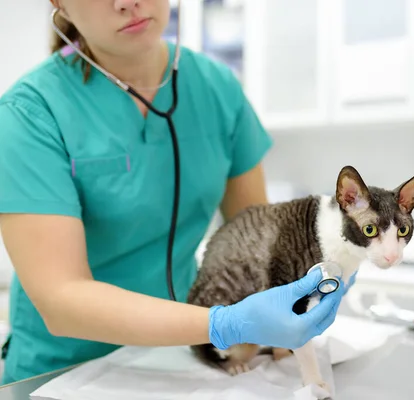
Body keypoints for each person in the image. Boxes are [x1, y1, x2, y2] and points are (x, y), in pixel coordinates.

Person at [0, 0, 349, 384]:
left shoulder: (218, 89)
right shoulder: (29, 114)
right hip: (61, 372)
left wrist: (299, 292)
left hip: (181, 360)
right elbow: (60, 297)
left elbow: (260, 241)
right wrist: (226, 322)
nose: (126, 2)